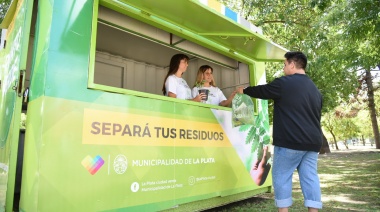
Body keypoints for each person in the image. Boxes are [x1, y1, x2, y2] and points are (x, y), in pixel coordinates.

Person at [236, 51, 323, 212]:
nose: (283, 68)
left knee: (281, 177)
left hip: (290, 141)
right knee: (310, 178)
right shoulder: (315, 90)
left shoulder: (284, 83)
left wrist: (245, 91)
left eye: (284, 65)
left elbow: (264, 91)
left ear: (292, 64)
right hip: (312, 143)